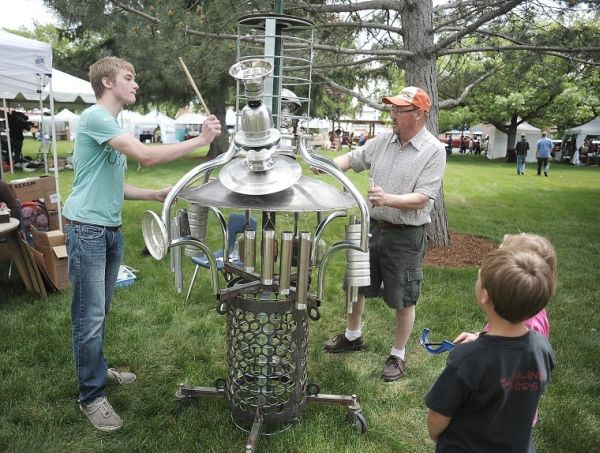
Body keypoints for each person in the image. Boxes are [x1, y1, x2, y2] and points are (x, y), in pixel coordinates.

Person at [62, 56, 221, 432]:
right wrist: (200, 140)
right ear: (106, 83)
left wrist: (153, 196)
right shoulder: (96, 118)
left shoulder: (112, 125)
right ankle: (91, 396)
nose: (135, 85)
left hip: (108, 230)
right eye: (129, 78)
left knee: (99, 312)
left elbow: (111, 186)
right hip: (87, 230)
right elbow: (147, 156)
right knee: (89, 316)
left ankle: (97, 371)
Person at [320, 86, 446, 381]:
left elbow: (423, 198)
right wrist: (326, 167)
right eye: (391, 109)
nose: (392, 115)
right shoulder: (383, 141)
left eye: (398, 110)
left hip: (406, 234)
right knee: (357, 283)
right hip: (371, 226)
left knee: (403, 296)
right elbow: (352, 159)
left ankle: (398, 354)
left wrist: (388, 199)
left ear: (418, 114)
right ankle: (353, 336)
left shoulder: (434, 151)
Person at [425, 247, 556, 452]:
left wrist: (436, 436)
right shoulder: (542, 348)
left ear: (485, 295)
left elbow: (438, 416)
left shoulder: (466, 359)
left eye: (479, 277)